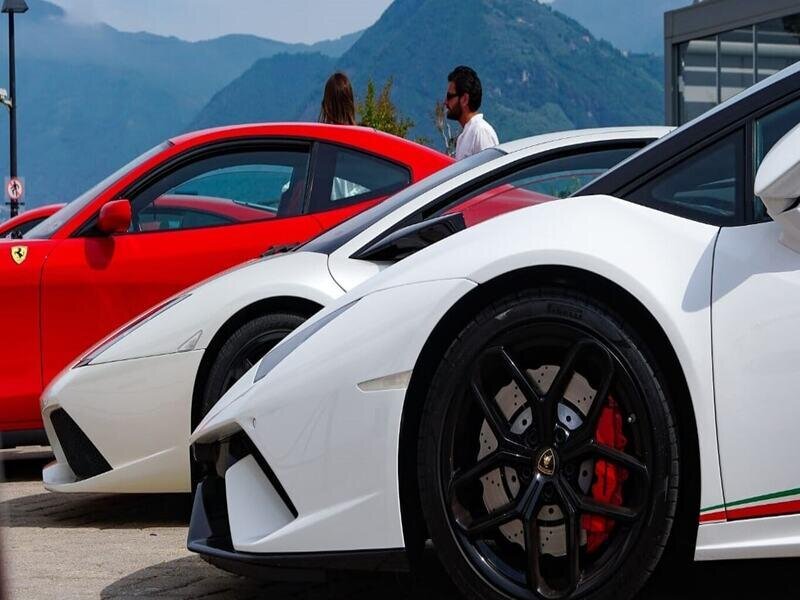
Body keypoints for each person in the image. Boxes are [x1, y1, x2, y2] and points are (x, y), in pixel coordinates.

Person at [445, 66, 499, 160]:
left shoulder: (481, 132)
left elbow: (491, 168)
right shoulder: (464, 136)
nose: (445, 102)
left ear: (464, 99)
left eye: (449, 96)